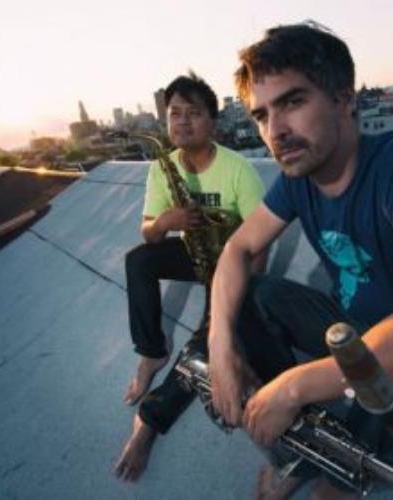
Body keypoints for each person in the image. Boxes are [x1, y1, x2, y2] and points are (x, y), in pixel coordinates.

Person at [207, 22, 393, 500]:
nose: (275, 131)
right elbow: (238, 248)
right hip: (351, 332)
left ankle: (332, 473)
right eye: (261, 114)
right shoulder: (298, 176)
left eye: (292, 102)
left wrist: (294, 386)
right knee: (254, 297)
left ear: (344, 99)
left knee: (335, 476)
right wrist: (221, 346)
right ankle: (305, 450)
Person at [115, 72, 265, 481]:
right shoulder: (161, 168)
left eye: (193, 113)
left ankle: (150, 420)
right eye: (174, 113)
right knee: (138, 261)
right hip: (194, 251)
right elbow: (149, 233)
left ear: (213, 122)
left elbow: (261, 242)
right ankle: (151, 351)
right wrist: (165, 222)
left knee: (209, 338)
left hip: (231, 260)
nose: (182, 121)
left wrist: (241, 293)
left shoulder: (238, 169)